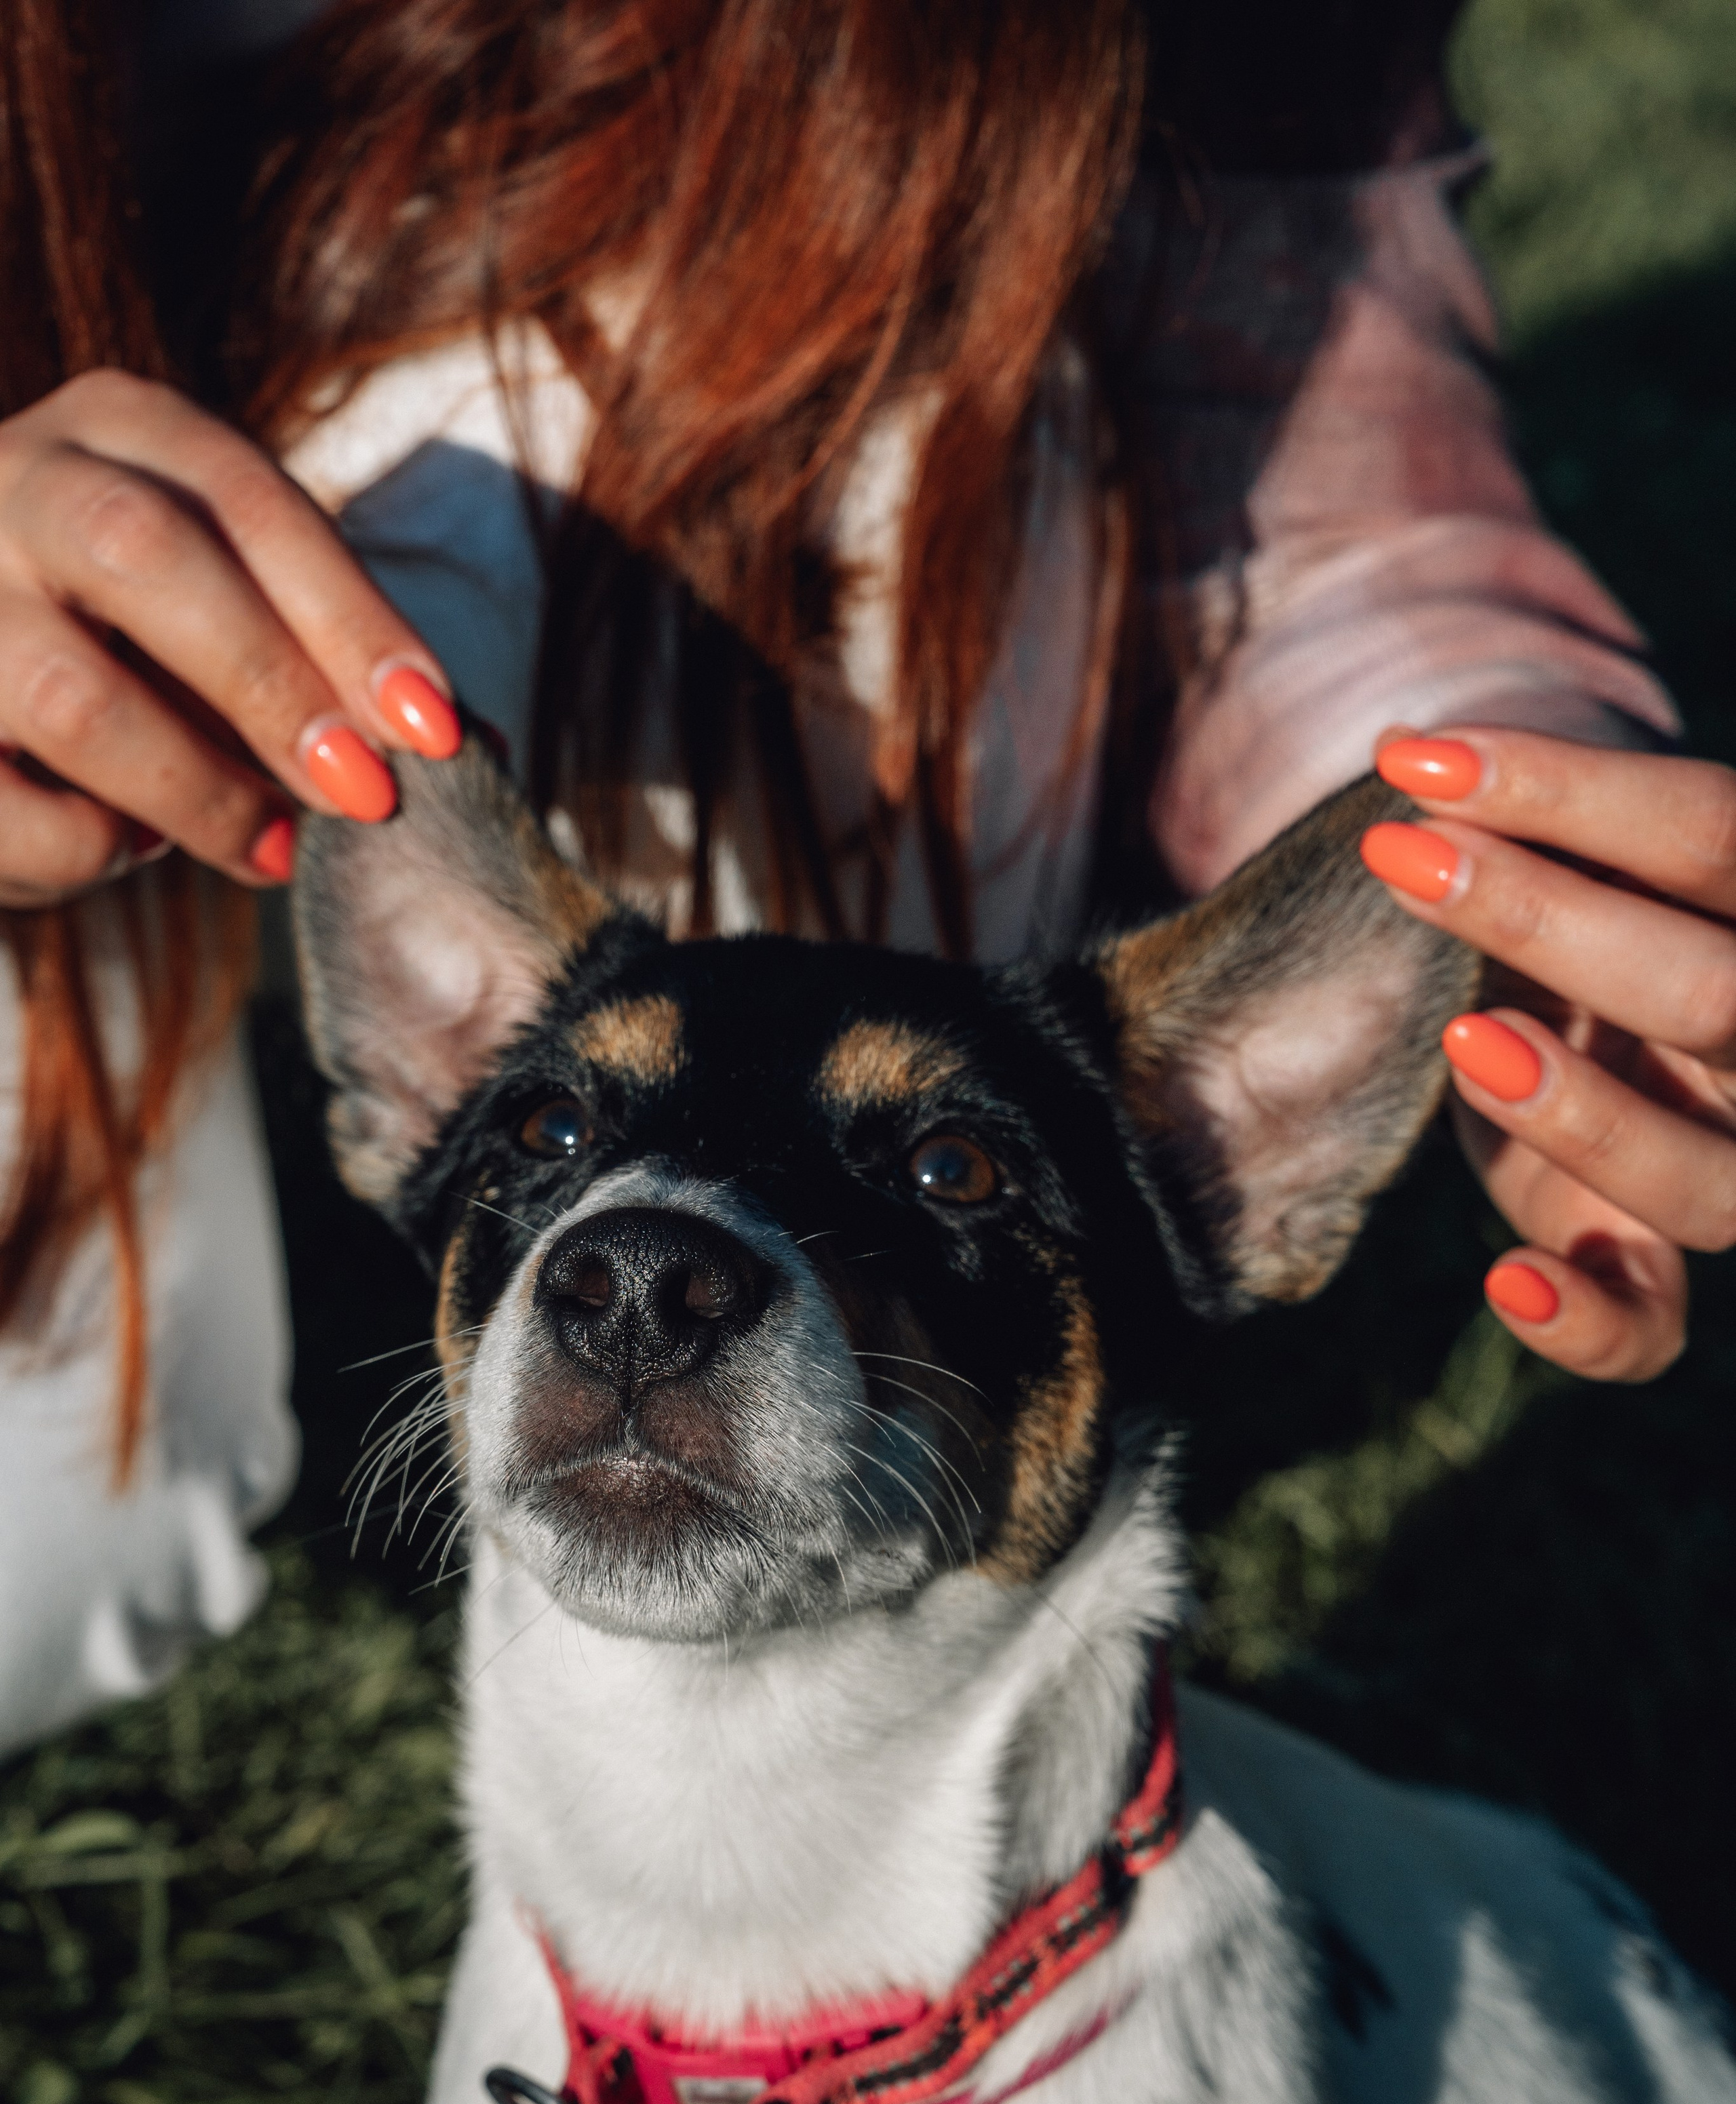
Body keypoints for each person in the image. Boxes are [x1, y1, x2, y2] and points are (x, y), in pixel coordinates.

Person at [1, 0, 1731, 1751]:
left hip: (736, 617)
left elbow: (1309, 462)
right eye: (538, 1140)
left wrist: (1528, 833)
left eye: (959, 1162)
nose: (645, 1274)